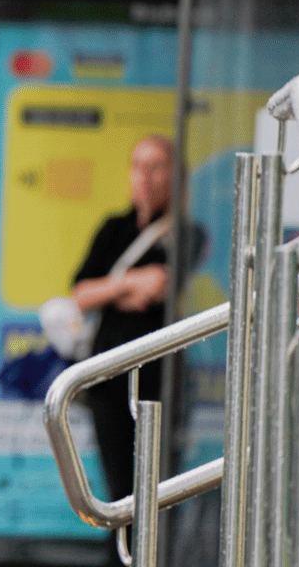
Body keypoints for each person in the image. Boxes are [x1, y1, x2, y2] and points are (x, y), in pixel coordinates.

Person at [70, 135, 201, 552]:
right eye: (137, 165)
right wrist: (127, 282)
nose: (144, 177)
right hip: (108, 379)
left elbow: (159, 287)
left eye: (156, 166)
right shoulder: (113, 228)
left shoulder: (186, 233)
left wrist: (111, 288)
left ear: (174, 176)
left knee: (154, 489)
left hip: (157, 382)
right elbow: (79, 293)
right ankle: (122, 557)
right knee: (118, 491)